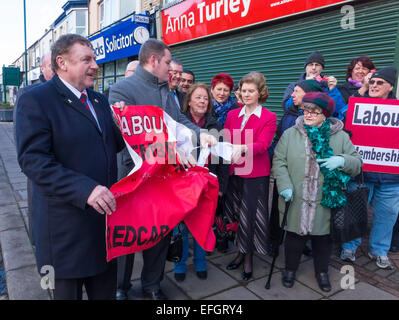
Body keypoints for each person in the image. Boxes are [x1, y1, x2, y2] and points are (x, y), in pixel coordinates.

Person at [15, 34, 125, 300]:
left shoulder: (98, 100)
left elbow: (109, 147)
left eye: (95, 59)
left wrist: (122, 130)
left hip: (103, 228)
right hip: (65, 235)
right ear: (62, 62)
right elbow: (34, 160)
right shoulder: (36, 100)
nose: (96, 65)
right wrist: (86, 190)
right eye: (87, 59)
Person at [108, 38, 216, 300]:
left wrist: (199, 134)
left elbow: (177, 120)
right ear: (154, 60)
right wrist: (170, 148)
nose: (172, 69)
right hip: (134, 176)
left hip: (162, 178)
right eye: (168, 62)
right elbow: (130, 134)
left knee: (159, 231)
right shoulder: (120, 90)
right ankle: (121, 286)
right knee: (128, 231)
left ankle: (152, 285)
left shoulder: (166, 91)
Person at [273, 92, 362, 292]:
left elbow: (357, 164)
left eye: (314, 111)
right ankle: (289, 269)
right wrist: (284, 185)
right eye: (306, 110)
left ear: (326, 114)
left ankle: (321, 272)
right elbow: (279, 161)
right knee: (294, 238)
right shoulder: (291, 133)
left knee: (323, 239)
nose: (308, 115)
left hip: (325, 201)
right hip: (295, 197)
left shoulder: (340, 136)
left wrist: (341, 160)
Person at [340, 66, 399, 270]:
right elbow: (342, 118)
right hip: (362, 174)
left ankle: (379, 250)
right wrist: (360, 93)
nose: (373, 85)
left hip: (391, 177)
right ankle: (349, 247)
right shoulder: (358, 104)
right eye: (371, 82)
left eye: (379, 83)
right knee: (355, 211)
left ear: (390, 86)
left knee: (387, 216)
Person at [223, 72, 277, 281]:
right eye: (243, 90)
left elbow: (263, 145)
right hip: (234, 173)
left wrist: (243, 148)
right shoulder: (231, 115)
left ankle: (248, 259)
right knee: (237, 215)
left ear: (260, 92)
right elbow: (226, 139)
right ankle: (239, 252)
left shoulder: (269, 117)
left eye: (251, 91)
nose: (246, 94)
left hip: (256, 175)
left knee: (250, 216)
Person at [173, 83, 229, 282]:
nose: (202, 101)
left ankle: (200, 261)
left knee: (203, 224)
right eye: (198, 97)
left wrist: (222, 186)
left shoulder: (215, 125)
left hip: (206, 185)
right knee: (180, 226)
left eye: (205, 98)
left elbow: (221, 158)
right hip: (181, 184)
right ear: (189, 101)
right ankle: (179, 263)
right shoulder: (179, 123)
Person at [268, 80, 324, 255]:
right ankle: (274, 241)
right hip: (285, 171)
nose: (292, 94)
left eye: (297, 91)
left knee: (304, 208)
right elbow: (277, 139)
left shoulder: (320, 117)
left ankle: (301, 241)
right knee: (279, 209)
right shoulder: (289, 115)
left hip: (307, 174)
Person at [13, 53, 54, 246]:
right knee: (37, 205)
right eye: (51, 67)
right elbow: (20, 131)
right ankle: (38, 240)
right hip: (41, 162)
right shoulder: (29, 93)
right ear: (43, 69)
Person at [113, 59, 140, 301]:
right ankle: (121, 284)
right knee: (125, 229)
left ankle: (145, 282)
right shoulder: (114, 99)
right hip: (124, 174)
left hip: (150, 175)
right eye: (131, 75)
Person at [282, 51, 346, 120]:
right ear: (305, 67)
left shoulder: (327, 85)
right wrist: (305, 84)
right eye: (310, 64)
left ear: (322, 68)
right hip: (297, 124)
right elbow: (287, 107)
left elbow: (337, 111)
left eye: (317, 65)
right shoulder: (294, 85)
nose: (313, 68)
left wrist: (332, 90)